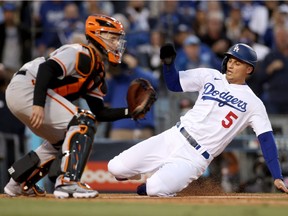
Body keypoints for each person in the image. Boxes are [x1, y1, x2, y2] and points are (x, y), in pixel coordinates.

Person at [108, 43, 288, 197]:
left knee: (153, 189)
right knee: (114, 167)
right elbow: (174, 84)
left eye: (238, 63)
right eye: (230, 60)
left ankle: (154, 186)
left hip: (194, 157)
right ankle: (139, 174)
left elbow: (266, 139)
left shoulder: (254, 103)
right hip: (173, 136)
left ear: (249, 69)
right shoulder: (210, 75)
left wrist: (277, 176)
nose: (231, 65)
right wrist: (168, 65)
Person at [3, 14, 137, 199]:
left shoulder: (97, 70)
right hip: (28, 87)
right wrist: (38, 104)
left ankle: (18, 184)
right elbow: (46, 69)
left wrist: (130, 112)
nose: (116, 43)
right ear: (98, 35)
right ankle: (68, 182)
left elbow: (100, 112)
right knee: (83, 120)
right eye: (113, 38)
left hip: (26, 92)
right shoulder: (80, 52)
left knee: (62, 142)